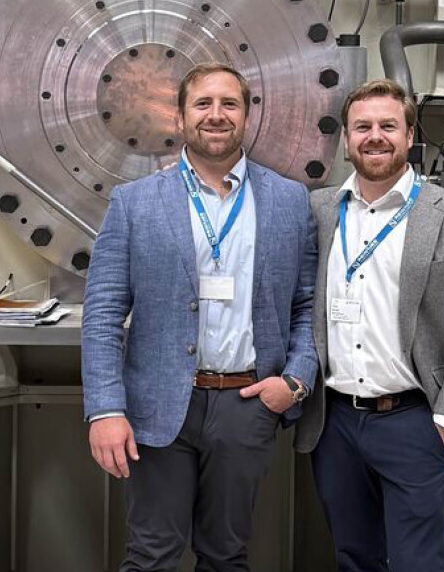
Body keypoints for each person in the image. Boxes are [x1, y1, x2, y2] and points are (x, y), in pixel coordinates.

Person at [81, 62, 318, 572]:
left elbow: (306, 306)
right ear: (182, 116)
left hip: (247, 404)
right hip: (159, 405)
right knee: (151, 555)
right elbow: (101, 314)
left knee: (226, 555)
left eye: (229, 103)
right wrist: (104, 409)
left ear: (247, 114)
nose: (216, 115)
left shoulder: (288, 200)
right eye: (203, 104)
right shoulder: (134, 203)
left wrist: (294, 382)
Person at [295, 79, 444, 572]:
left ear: (410, 136)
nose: (375, 136)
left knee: (418, 563)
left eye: (388, 125)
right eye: (362, 126)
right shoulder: (320, 209)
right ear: (346, 140)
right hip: (336, 423)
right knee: (353, 556)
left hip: (414, 420)